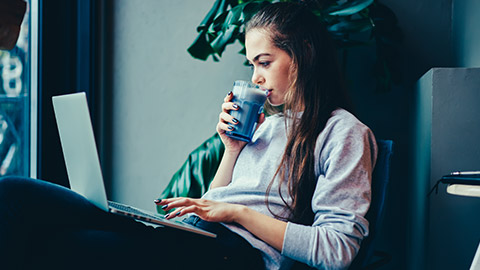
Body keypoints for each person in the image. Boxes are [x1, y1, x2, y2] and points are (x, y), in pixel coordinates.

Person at [0, 2, 377, 270]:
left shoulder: (344, 132)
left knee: (60, 248)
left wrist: (235, 213)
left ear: (304, 55)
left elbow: (337, 249)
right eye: (252, 65)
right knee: (15, 194)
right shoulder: (271, 125)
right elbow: (216, 201)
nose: (256, 77)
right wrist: (232, 150)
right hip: (195, 238)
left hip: (232, 255)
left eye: (265, 62)